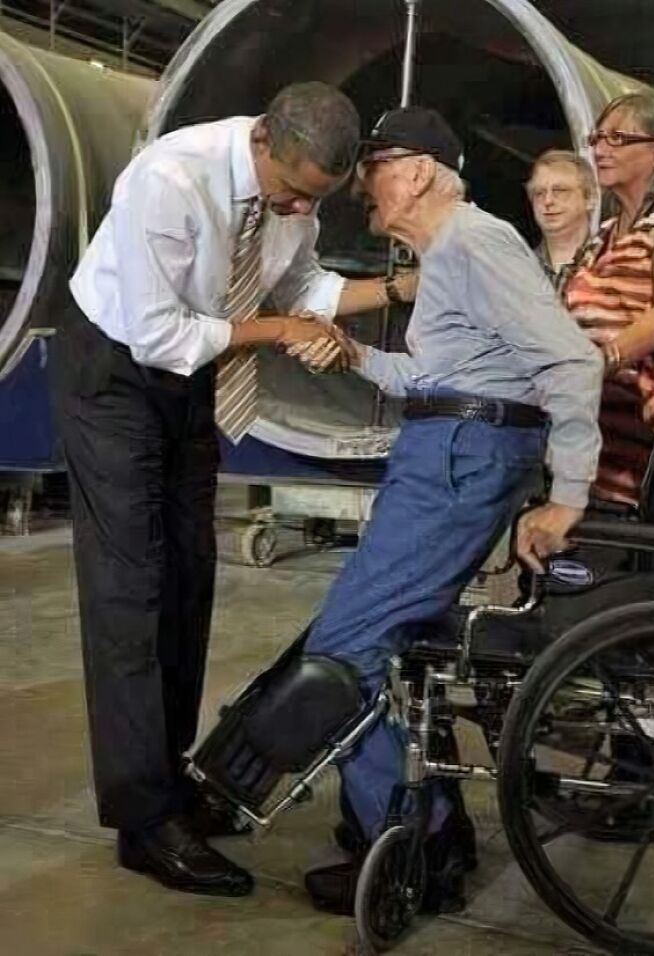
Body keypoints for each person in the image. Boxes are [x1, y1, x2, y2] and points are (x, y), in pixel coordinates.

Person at [53, 81, 418, 898]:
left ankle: (169, 781)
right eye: (290, 191)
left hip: (191, 378)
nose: (297, 207)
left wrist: (401, 289)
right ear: (261, 141)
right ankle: (143, 823)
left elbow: (305, 289)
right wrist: (281, 332)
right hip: (114, 370)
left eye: (314, 199)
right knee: (130, 589)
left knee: (189, 574)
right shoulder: (170, 179)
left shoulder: (296, 198)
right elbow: (158, 332)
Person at [286, 106, 603, 913]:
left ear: (422, 170)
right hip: (445, 452)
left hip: (458, 464)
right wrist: (355, 354)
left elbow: (569, 362)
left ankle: (418, 851)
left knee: (345, 653)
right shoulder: (451, 255)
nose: (363, 184)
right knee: (367, 645)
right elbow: (438, 380)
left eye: (376, 165)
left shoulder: (475, 240)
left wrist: (568, 495)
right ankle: (412, 827)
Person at [564, 90, 654, 508]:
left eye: (618, 138)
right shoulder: (601, 237)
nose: (601, 149)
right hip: (597, 451)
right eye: (597, 138)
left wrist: (596, 364)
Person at [526, 149, 595, 292]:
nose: (548, 201)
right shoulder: (517, 269)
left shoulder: (612, 262)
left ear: (590, 198)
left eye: (560, 191)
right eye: (539, 193)